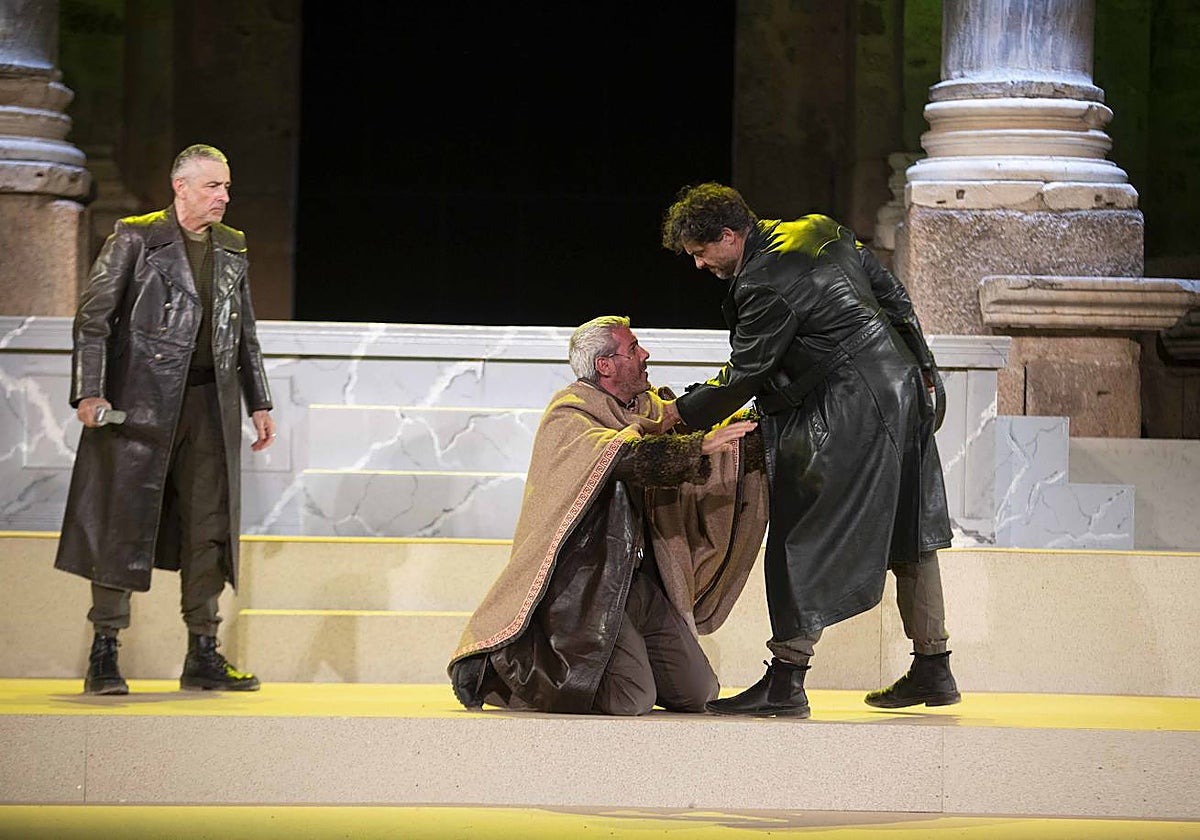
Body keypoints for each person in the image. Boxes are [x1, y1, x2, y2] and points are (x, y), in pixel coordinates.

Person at [659, 182, 960, 718]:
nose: (700, 265)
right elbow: (894, 298)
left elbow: (746, 372)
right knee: (909, 529)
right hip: (901, 388)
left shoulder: (763, 280)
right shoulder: (820, 228)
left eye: (702, 253)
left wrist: (679, 414)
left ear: (729, 235)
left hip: (851, 406)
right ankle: (934, 666)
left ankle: (786, 678)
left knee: (799, 534)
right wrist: (925, 373)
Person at [448, 315, 769, 715]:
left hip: (637, 582)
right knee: (632, 699)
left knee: (699, 693)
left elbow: (680, 429)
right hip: (588, 585)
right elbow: (624, 458)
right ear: (605, 365)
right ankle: (499, 675)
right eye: (633, 348)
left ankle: (632, 664)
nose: (645, 354)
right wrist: (695, 448)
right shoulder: (571, 413)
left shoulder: (646, 410)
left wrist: (755, 430)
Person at [55, 143, 274, 695]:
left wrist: (260, 401)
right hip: (139, 405)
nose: (223, 197)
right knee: (121, 522)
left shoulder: (231, 246)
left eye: (226, 187)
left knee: (208, 527)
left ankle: (203, 651)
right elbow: (94, 320)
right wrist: (89, 391)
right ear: (181, 187)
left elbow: (243, 333)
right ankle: (105, 650)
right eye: (212, 186)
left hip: (209, 405)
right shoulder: (135, 237)